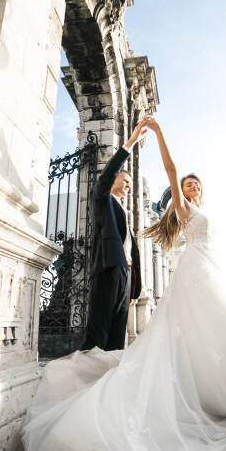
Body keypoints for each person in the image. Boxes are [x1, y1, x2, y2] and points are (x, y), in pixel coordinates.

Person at [23, 116, 226, 451]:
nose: (191, 186)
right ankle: (91, 389)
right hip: (163, 274)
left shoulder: (190, 211)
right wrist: (151, 136)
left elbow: (134, 244)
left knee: (213, 334)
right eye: (186, 184)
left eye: (195, 183)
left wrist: (134, 283)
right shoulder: (138, 201)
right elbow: (170, 167)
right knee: (101, 338)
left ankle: (223, 393)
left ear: (203, 189)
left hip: (183, 273)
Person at [80, 125, 143, 351]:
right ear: (114, 179)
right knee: (99, 334)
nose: (128, 185)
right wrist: (130, 143)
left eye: (130, 183)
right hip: (108, 270)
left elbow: (131, 251)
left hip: (125, 277)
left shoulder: (124, 212)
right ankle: (87, 380)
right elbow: (106, 175)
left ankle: (110, 381)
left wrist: (134, 288)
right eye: (125, 180)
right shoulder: (102, 200)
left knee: (118, 338)